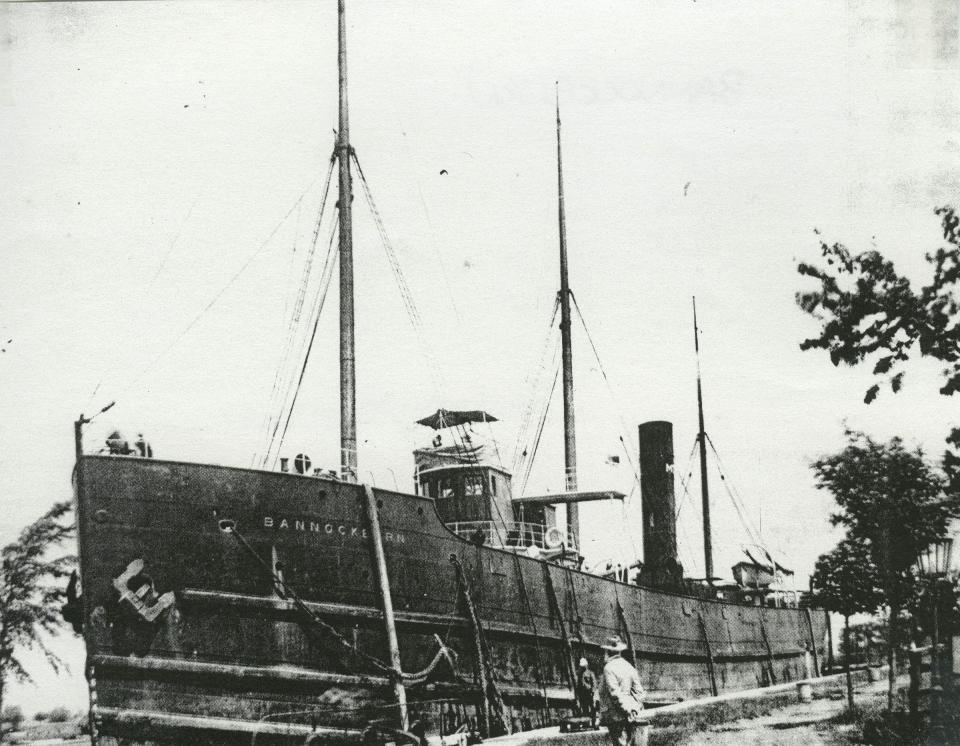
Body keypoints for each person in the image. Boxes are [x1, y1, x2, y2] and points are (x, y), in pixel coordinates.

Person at [598, 635, 645, 746]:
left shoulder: (608, 668)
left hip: (615, 716)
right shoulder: (629, 666)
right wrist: (634, 709)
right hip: (630, 715)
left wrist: (626, 710)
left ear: (608, 651)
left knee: (619, 743)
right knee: (629, 743)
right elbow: (639, 692)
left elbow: (615, 693)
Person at [575, 657, 599, 727]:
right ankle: (586, 724)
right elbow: (578, 685)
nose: (583, 667)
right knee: (585, 709)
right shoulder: (579, 674)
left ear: (586, 665)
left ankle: (594, 723)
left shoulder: (590, 673)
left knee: (592, 709)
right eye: (582, 666)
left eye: (584, 666)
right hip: (582, 694)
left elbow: (594, 684)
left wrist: (592, 692)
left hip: (589, 694)